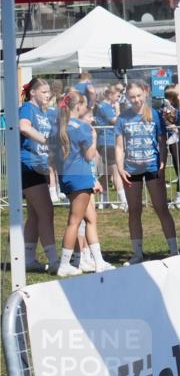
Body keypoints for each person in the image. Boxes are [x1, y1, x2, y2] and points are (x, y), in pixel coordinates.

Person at [115, 80, 179, 263]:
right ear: (127, 98)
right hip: (131, 169)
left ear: (144, 93)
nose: (135, 100)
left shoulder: (155, 115)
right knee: (134, 211)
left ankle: (174, 250)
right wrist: (120, 168)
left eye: (138, 96)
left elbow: (162, 141)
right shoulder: (123, 119)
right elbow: (119, 147)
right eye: (132, 97)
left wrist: (162, 161)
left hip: (152, 167)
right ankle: (138, 253)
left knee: (161, 208)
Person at [52, 91, 114, 275]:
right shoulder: (82, 127)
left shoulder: (58, 125)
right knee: (75, 221)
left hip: (68, 177)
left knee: (90, 219)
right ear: (78, 106)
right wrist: (94, 138)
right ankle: (65, 264)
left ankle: (98, 261)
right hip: (80, 177)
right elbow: (89, 155)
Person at [19, 78, 58, 272]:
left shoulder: (44, 113)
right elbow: (24, 127)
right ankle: (53, 260)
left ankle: (28, 259)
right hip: (28, 165)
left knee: (35, 215)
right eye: (44, 92)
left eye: (48, 92)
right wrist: (46, 140)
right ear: (33, 92)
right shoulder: (27, 108)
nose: (47, 95)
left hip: (41, 166)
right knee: (46, 212)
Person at [94, 85, 124, 208]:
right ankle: (124, 201)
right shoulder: (105, 107)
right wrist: (117, 109)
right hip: (108, 142)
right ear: (109, 95)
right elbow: (116, 121)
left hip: (109, 141)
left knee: (108, 173)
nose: (118, 99)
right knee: (116, 171)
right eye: (117, 96)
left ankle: (104, 201)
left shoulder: (107, 106)